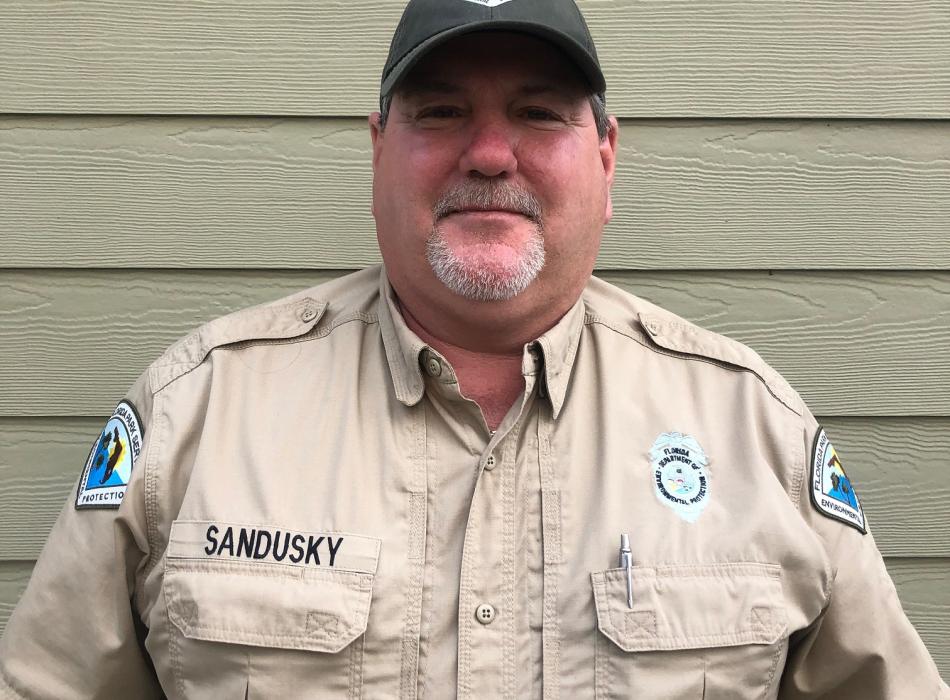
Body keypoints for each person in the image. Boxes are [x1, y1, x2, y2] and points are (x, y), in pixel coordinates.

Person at [1, 0, 947, 697]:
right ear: (379, 150)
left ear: (607, 159)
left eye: (540, 113)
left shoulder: (754, 434)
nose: (490, 153)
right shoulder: (195, 416)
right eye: (443, 112)